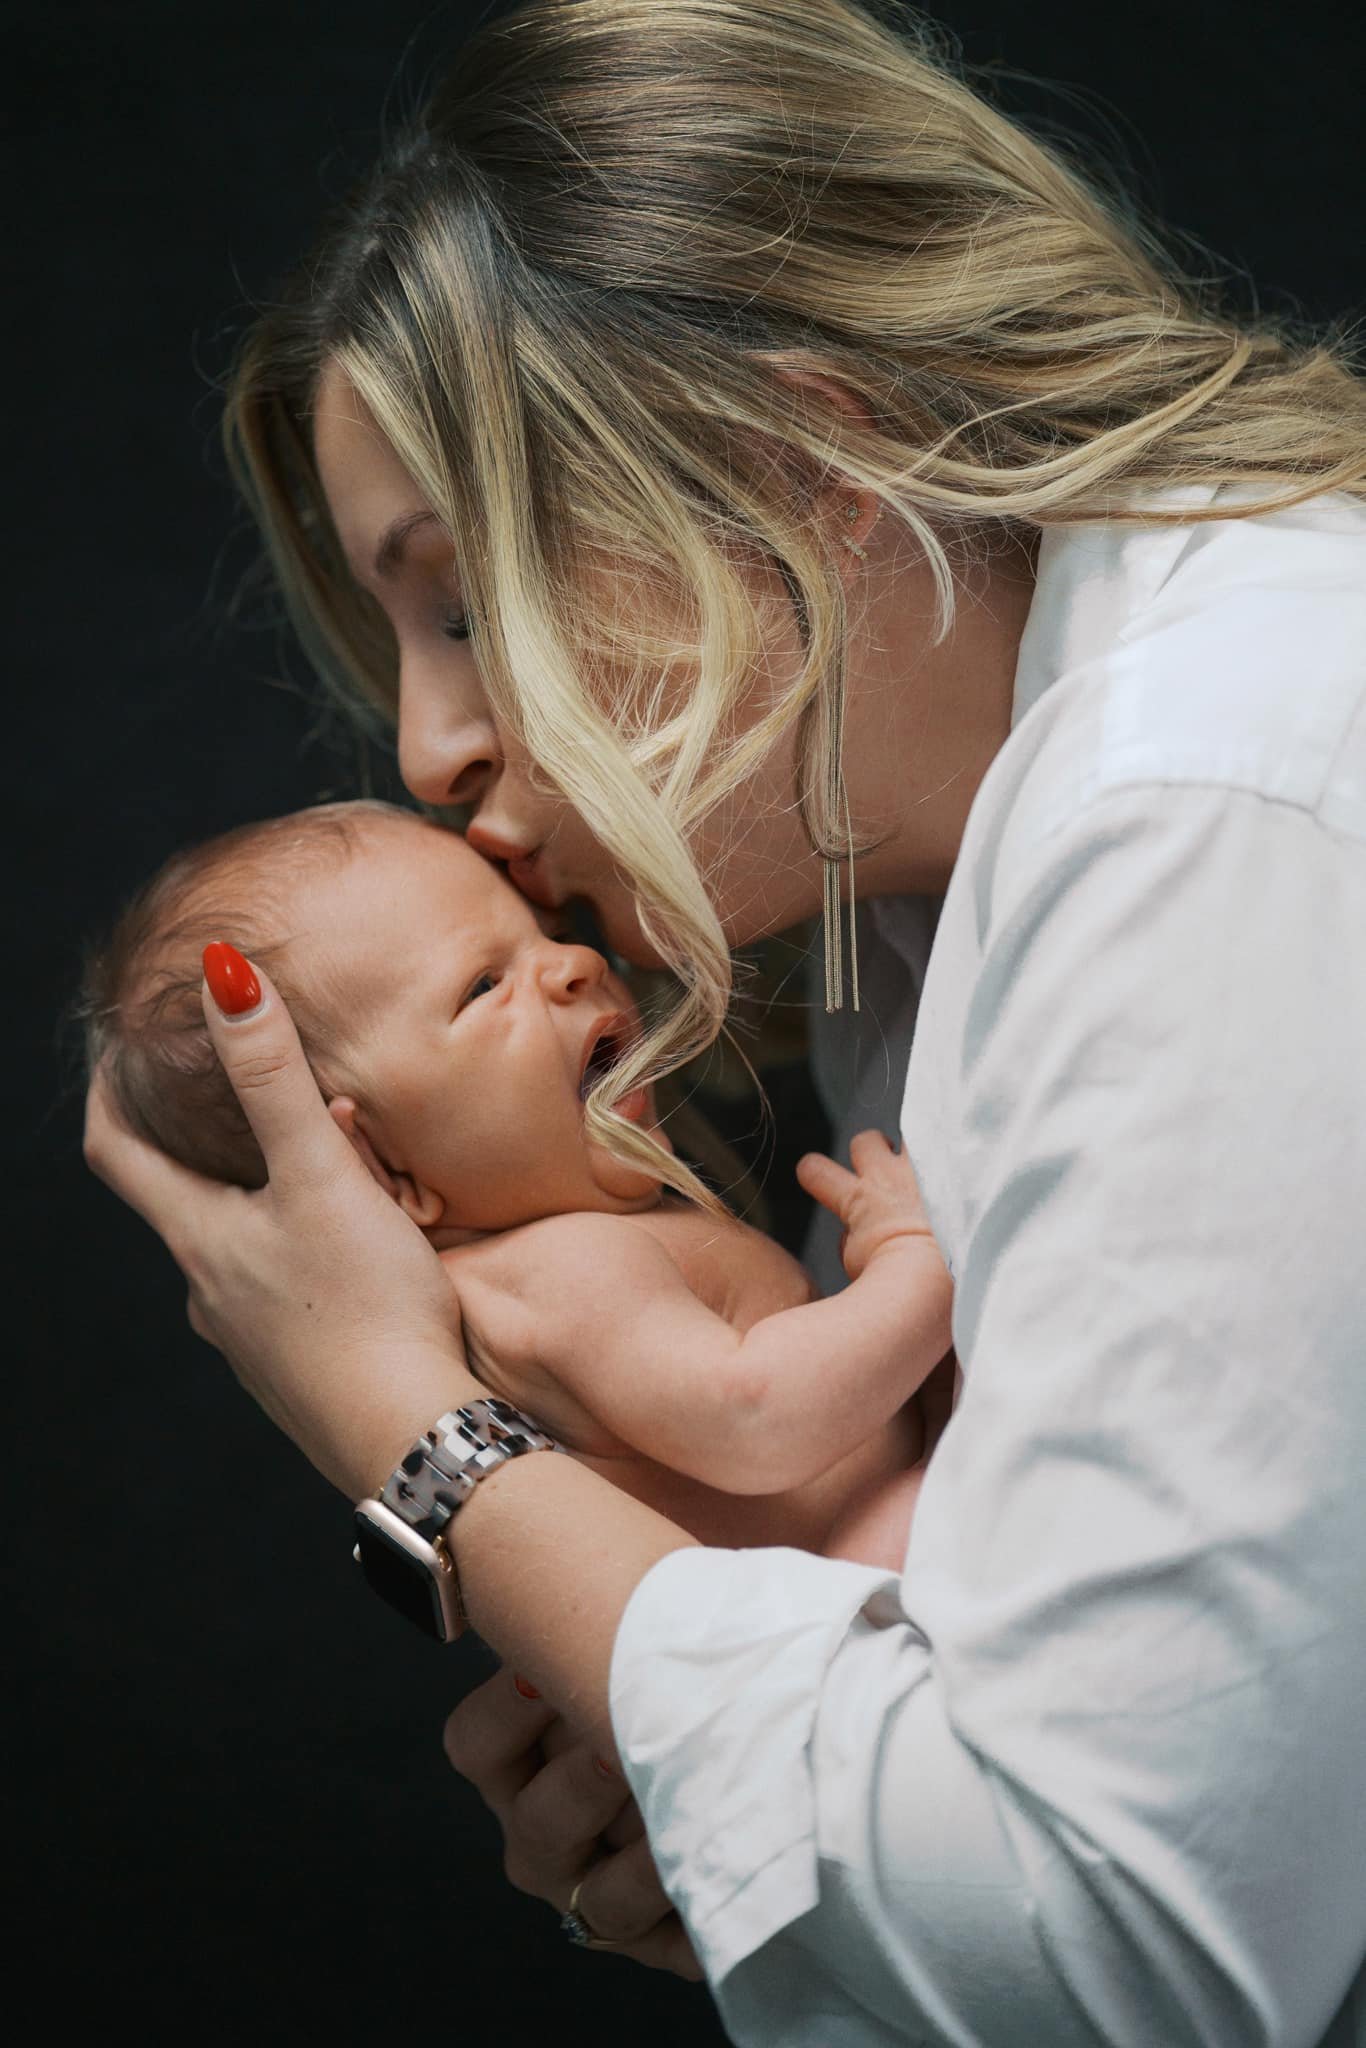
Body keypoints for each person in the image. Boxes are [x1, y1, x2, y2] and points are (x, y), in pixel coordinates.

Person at [83, 0, 1366, 2040]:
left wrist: (420, 1454)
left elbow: (1120, 1960)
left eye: (456, 594)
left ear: (787, 467)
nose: (426, 743)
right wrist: (749, 1791)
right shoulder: (913, 870)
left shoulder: (1208, 818)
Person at [78, 796, 950, 1564]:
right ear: (378, 1173)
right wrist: (918, 1258)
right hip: (846, 1582)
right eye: (484, 984)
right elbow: (757, 1415)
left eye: (545, 934)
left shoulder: (535, 1271)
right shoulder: (557, 1272)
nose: (572, 962)